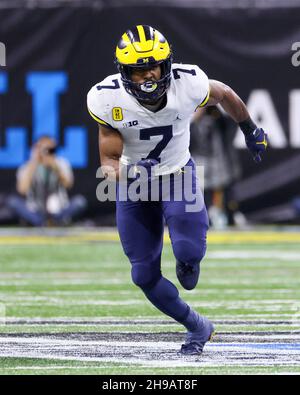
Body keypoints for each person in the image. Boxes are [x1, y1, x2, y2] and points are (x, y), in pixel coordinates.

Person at [87, 25, 268, 355]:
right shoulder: (106, 98)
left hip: (176, 176)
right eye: (140, 69)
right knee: (142, 274)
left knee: (188, 256)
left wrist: (249, 127)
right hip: (135, 185)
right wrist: (129, 172)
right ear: (125, 72)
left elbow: (224, 93)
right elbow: (108, 165)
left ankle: (189, 257)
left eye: (154, 65)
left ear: (166, 64)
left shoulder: (188, 82)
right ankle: (197, 325)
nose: (149, 75)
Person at [8, 135, 87, 226]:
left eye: (50, 149)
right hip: (35, 209)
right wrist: (34, 162)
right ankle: (43, 222)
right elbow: (22, 189)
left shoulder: (61, 164)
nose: (46, 152)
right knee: (13, 202)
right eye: (43, 149)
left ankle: (54, 221)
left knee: (80, 202)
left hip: (58, 209)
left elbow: (67, 184)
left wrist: (54, 166)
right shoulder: (27, 166)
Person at [190, 106, 245, 228]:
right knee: (201, 192)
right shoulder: (189, 119)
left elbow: (230, 122)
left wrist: (214, 106)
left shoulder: (217, 118)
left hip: (219, 159)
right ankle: (204, 219)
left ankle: (231, 216)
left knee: (226, 189)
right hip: (199, 160)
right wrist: (195, 117)